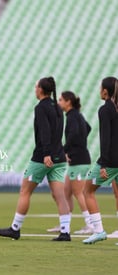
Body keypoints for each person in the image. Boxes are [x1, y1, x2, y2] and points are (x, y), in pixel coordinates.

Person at [0, 77, 71, 241]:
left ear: (41, 90)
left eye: (36, 86)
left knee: (25, 191)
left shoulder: (41, 108)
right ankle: (65, 231)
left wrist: (46, 153)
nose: (35, 89)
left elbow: (45, 131)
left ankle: (15, 229)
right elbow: (57, 133)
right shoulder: (57, 108)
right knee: (60, 196)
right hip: (59, 157)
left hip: (43, 158)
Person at [47, 91, 93, 234]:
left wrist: (65, 150)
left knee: (79, 192)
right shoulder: (75, 115)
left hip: (78, 160)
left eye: (61, 100)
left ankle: (90, 224)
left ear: (68, 102)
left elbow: (73, 134)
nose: (59, 102)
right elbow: (88, 128)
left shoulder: (73, 116)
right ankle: (64, 224)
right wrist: (80, 144)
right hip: (79, 160)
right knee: (65, 193)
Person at [82, 76, 118, 244]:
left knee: (87, 191)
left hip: (110, 160)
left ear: (105, 91)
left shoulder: (105, 110)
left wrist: (103, 163)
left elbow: (106, 138)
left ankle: (98, 230)